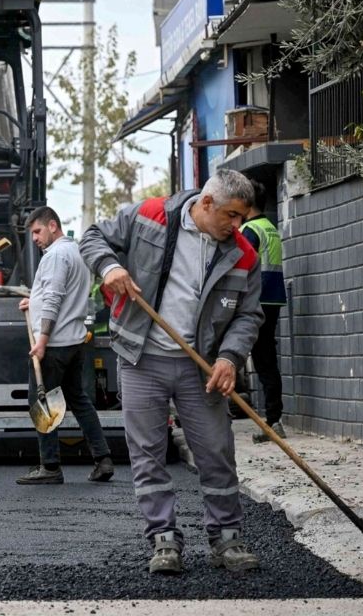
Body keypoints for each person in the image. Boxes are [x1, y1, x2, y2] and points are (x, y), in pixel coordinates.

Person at [79, 169, 264, 575]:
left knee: (216, 451)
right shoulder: (149, 216)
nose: (237, 226)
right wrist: (109, 267)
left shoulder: (243, 254)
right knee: (148, 453)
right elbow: (92, 237)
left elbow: (249, 315)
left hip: (203, 367)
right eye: (231, 216)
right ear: (207, 203)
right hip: (142, 358)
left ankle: (227, 539)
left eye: (242, 218)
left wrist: (229, 358)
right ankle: (163, 540)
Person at [15, 207, 114, 485]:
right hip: (74, 341)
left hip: (54, 344)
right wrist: (32, 301)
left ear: (53, 226)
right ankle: (103, 458)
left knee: (40, 401)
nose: (34, 238)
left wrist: (42, 341)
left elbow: (55, 298)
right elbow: (57, 294)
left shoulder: (56, 256)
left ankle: (50, 466)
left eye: (37, 231)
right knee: (79, 400)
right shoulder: (76, 251)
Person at [240, 181, 287, 443]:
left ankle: (270, 420)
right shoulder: (271, 228)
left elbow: (241, 266)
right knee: (267, 359)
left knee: (259, 359)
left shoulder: (249, 230)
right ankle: (274, 418)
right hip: (273, 300)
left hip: (255, 302)